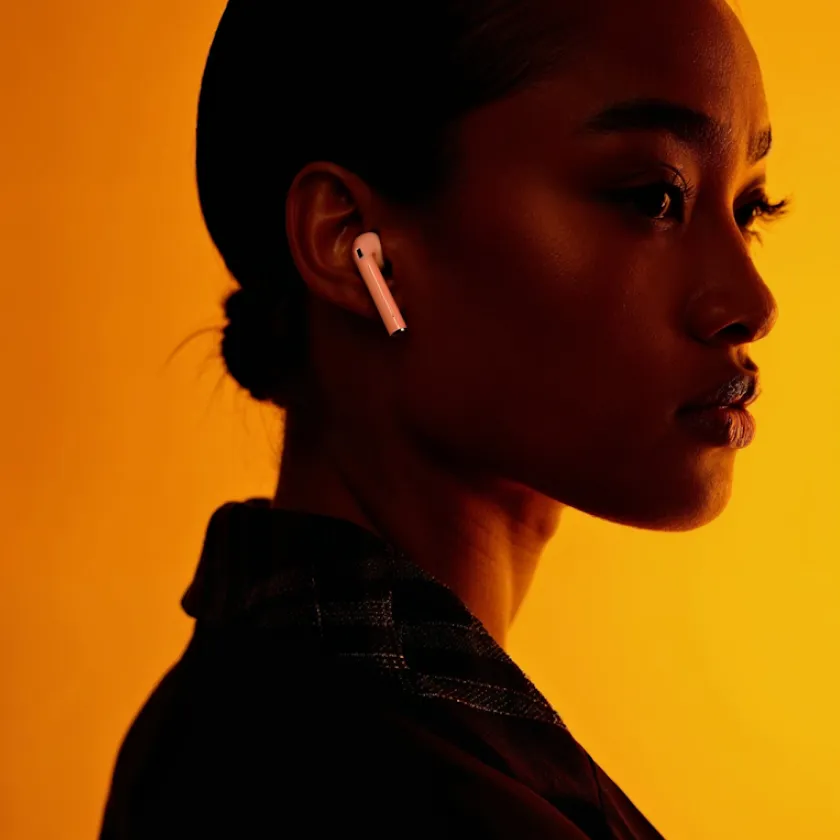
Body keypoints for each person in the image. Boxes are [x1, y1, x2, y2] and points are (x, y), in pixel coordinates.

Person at [99, 0, 791, 836]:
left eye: (751, 209)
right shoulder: (348, 785)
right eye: (653, 197)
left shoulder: (246, 711)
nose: (751, 303)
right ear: (356, 248)